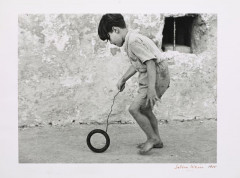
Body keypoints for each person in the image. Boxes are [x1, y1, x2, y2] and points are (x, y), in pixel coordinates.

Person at [98, 14, 170, 154]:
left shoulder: (133, 42)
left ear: (115, 29)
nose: (110, 42)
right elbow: (138, 64)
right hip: (156, 75)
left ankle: (152, 138)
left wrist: (151, 89)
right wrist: (123, 79)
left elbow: (150, 62)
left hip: (156, 76)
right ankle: (157, 140)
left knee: (134, 109)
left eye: (108, 37)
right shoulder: (131, 39)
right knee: (146, 109)